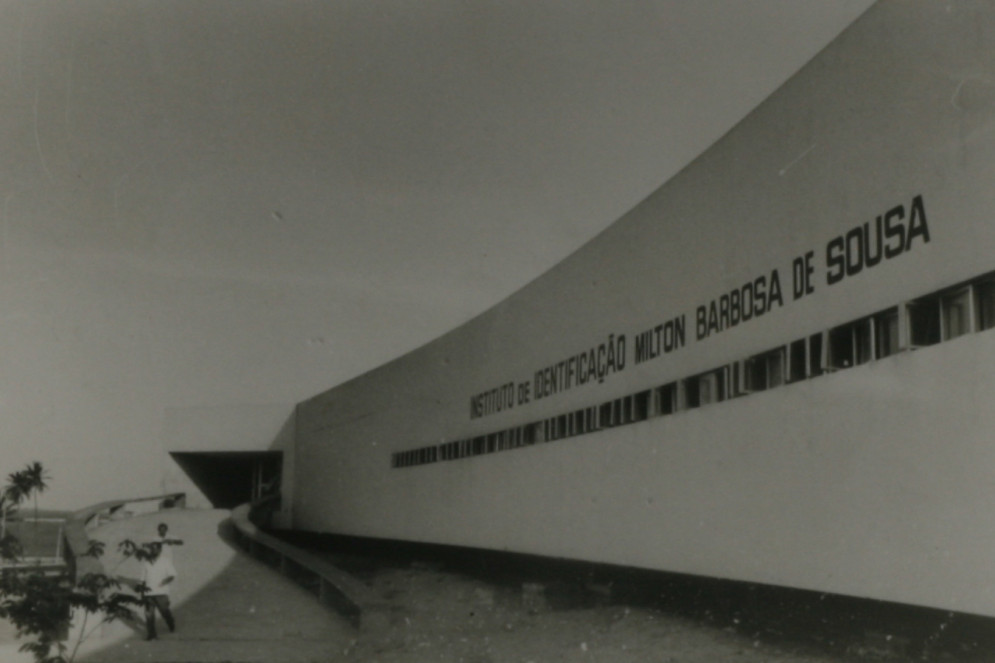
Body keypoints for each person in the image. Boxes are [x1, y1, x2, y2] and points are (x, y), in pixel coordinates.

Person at [140, 541, 176, 640]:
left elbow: (172, 575)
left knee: (164, 611)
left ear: (160, 550)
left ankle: (170, 622)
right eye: (151, 548)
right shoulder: (146, 562)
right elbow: (143, 578)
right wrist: (142, 592)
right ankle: (152, 634)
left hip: (161, 592)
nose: (152, 550)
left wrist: (164, 582)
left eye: (155, 548)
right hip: (148, 593)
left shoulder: (165, 561)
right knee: (149, 615)